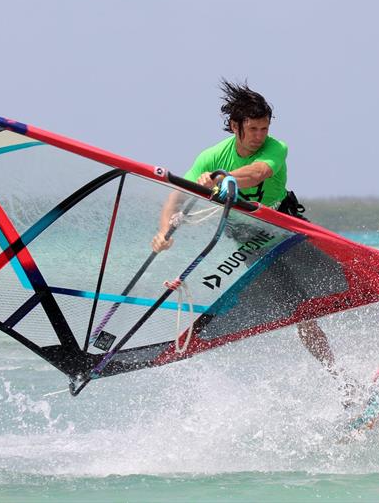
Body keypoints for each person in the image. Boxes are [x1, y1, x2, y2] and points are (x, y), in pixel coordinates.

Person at [150, 79, 353, 381]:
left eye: (264, 128)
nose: (260, 136)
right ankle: (343, 382)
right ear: (235, 126)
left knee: (352, 265)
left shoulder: (275, 147)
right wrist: (164, 232)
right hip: (251, 242)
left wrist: (222, 177)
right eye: (253, 129)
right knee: (302, 316)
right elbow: (176, 195)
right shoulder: (211, 156)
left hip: (286, 224)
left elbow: (260, 173)